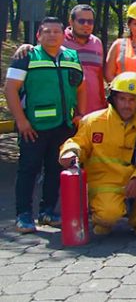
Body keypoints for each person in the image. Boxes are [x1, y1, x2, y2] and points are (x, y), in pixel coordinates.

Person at [58, 72, 136, 236]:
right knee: (108, 216)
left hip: (133, 180)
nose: (127, 105)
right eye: (122, 99)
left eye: (132, 100)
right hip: (104, 182)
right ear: (113, 98)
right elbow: (79, 142)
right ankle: (103, 218)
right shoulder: (93, 121)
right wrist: (70, 151)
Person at [6, 17, 87, 232]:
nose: (52, 35)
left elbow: (80, 87)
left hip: (63, 125)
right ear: (38, 35)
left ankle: (47, 211)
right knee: (28, 169)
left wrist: (80, 113)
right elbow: (10, 89)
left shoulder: (71, 56)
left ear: (63, 35)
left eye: (56, 31)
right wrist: (21, 122)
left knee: (55, 168)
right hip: (33, 127)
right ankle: (23, 214)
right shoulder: (26, 57)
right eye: (47, 32)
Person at [12, 4, 106, 114]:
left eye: (90, 22)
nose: (86, 25)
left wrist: (102, 103)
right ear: (71, 21)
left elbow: (99, 75)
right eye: (81, 21)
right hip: (65, 112)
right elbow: (40, 52)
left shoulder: (97, 43)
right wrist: (26, 47)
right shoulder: (57, 38)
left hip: (94, 110)